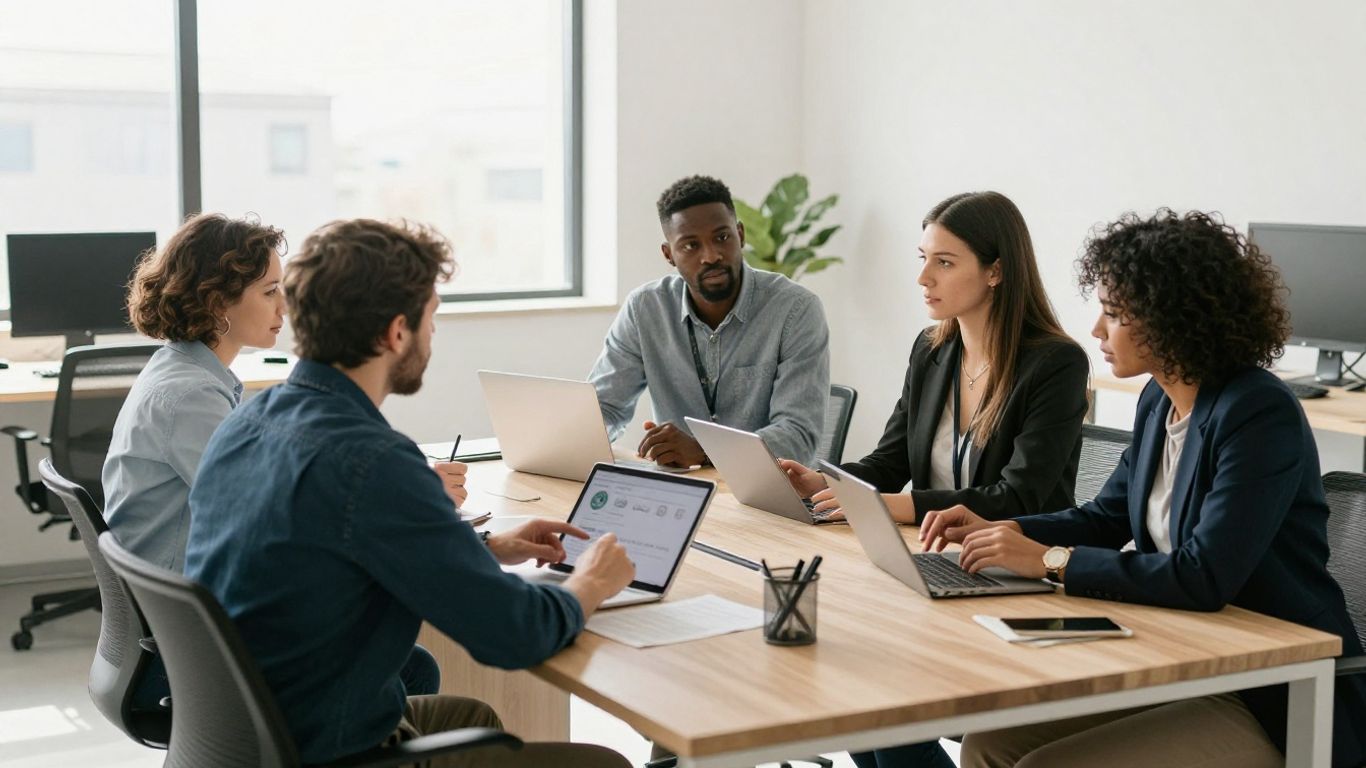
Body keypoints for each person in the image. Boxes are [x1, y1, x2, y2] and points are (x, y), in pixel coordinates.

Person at [918, 209, 1366, 768]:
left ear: (1174, 319)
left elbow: (1205, 575)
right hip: (1188, 657)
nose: (1097, 331)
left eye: (1114, 314)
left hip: (1272, 687)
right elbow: (1107, 516)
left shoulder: (1257, 412)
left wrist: (1051, 560)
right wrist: (1002, 531)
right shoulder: (1159, 400)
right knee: (989, 745)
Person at [185, 218, 635, 767]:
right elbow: (516, 635)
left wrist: (486, 551)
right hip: (325, 751)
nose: (432, 334)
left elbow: (328, 557)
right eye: (431, 318)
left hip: (241, 739)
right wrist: (589, 583)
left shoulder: (249, 419)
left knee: (474, 719)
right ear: (396, 332)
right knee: (604, 764)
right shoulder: (373, 461)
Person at [778, 190, 1088, 768]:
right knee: (854, 689)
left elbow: (1017, 495)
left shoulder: (1054, 363)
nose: (924, 277)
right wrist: (824, 483)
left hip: (1012, 573)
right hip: (933, 564)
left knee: (884, 701)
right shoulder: (932, 350)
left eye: (944, 262)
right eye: (922, 257)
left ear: (996, 271)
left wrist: (895, 506)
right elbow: (888, 460)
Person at [102, 213, 442, 706]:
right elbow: (269, 514)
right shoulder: (189, 396)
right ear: (217, 300)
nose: (285, 305)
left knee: (400, 655)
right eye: (269, 291)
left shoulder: (183, 372)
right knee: (404, 663)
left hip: (173, 626)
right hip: (181, 654)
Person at [589, 174, 830, 467]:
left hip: (770, 497)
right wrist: (573, 440)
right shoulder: (645, 309)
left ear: (740, 235)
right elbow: (605, 408)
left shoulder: (795, 309)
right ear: (669, 254)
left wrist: (706, 452)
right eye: (691, 245)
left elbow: (797, 436)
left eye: (722, 237)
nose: (711, 256)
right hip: (680, 491)